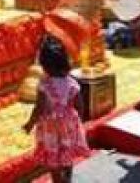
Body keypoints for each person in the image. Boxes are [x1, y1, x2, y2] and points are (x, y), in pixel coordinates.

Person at [22, 34, 90, 183]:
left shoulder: (44, 85)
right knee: (67, 153)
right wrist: (79, 121)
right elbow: (80, 105)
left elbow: (39, 108)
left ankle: (59, 181)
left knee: (53, 159)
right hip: (68, 125)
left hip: (50, 127)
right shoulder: (72, 83)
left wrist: (30, 123)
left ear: (44, 66)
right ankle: (67, 179)